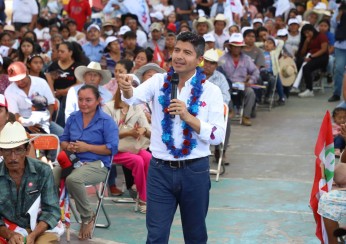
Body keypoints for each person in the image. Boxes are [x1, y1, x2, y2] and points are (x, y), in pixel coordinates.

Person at [118, 31, 225, 243]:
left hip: (195, 170)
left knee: (195, 235)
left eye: (187, 52)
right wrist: (127, 88)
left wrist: (188, 116)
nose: (179, 56)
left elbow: (217, 136)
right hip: (160, 170)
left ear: (199, 59)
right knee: (156, 235)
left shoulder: (211, 91)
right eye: (177, 50)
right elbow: (133, 97)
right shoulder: (158, 81)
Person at [53, 85, 118, 240]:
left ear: (98, 101)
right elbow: (63, 140)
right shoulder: (73, 118)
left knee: (73, 179)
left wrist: (86, 147)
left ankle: (87, 216)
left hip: (98, 164)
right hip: (73, 161)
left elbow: (112, 148)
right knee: (49, 175)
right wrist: (68, 146)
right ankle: (53, 216)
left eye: (88, 100)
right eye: (81, 99)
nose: (83, 103)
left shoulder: (106, 121)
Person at [0, 121, 60, 243]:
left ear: (27, 149)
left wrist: (32, 236)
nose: (13, 157)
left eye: (18, 150)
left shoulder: (43, 170)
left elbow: (52, 211)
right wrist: (9, 234)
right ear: (1, 151)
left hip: (39, 229)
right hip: (7, 229)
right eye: (7, 151)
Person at [103, 87, 151, 213]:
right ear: (120, 92)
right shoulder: (108, 107)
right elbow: (106, 134)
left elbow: (147, 128)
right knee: (137, 161)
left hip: (130, 146)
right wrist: (127, 133)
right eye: (126, 93)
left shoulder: (137, 108)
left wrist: (144, 130)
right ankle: (143, 198)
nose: (128, 95)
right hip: (112, 149)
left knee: (148, 157)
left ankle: (141, 190)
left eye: (131, 93)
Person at [4, 61, 63, 137]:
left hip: (42, 119)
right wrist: (28, 124)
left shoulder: (41, 82)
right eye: (16, 80)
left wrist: (47, 117)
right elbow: (14, 115)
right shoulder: (9, 91)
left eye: (21, 78)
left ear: (27, 72)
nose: (19, 82)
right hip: (22, 124)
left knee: (62, 134)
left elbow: (51, 104)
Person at [219, 33, 259, 126]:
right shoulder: (222, 58)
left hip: (242, 84)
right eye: (234, 46)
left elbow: (255, 72)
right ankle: (230, 110)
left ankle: (246, 116)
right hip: (228, 85)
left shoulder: (246, 59)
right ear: (230, 47)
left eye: (239, 47)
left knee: (250, 92)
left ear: (241, 48)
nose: (236, 49)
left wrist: (250, 81)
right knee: (223, 91)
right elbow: (219, 73)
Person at [297, 24, 329, 98]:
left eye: (308, 32)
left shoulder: (321, 36)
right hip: (311, 56)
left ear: (312, 30)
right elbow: (302, 53)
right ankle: (297, 85)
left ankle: (309, 89)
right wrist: (306, 42)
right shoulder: (308, 39)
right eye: (305, 33)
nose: (307, 34)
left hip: (322, 57)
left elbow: (324, 49)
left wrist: (312, 56)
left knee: (306, 68)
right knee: (298, 62)